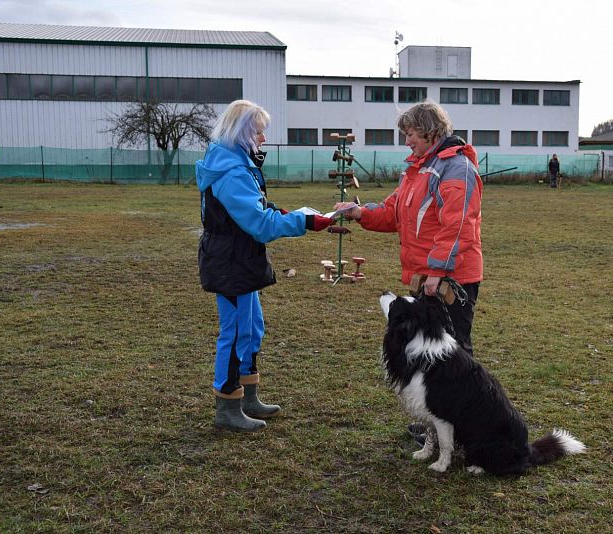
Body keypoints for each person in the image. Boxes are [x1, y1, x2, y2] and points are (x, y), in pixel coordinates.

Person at [196, 99, 334, 432]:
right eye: (258, 131)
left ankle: (247, 396)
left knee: (252, 327)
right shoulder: (231, 172)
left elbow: (257, 205)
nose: (263, 138)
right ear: (243, 131)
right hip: (231, 263)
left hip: (240, 259)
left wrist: (286, 212)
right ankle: (227, 404)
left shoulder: (238, 164)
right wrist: (303, 222)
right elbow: (258, 223)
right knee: (234, 332)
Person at [336, 99, 483, 352]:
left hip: (450, 279)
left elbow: (457, 226)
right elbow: (394, 212)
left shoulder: (457, 169)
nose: (407, 141)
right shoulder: (418, 170)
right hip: (426, 278)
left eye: (411, 134)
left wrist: (437, 271)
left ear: (430, 130)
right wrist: (360, 212)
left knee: (452, 355)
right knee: (427, 352)